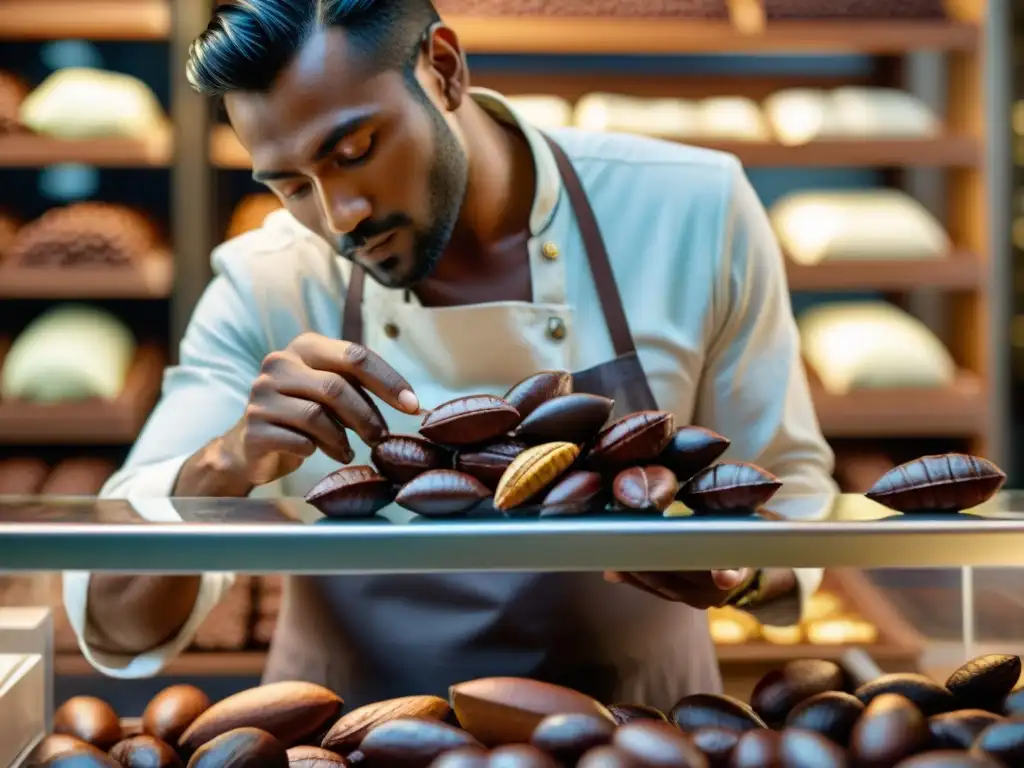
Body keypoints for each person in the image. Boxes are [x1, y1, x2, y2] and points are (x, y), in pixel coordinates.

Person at [63, 0, 837, 709]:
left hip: (639, 733)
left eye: (356, 149)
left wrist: (740, 574)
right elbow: (117, 618)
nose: (340, 217)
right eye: (292, 185)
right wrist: (225, 466)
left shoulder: (691, 211)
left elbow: (791, 488)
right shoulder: (265, 282)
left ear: (443, 68)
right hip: (351, 740)